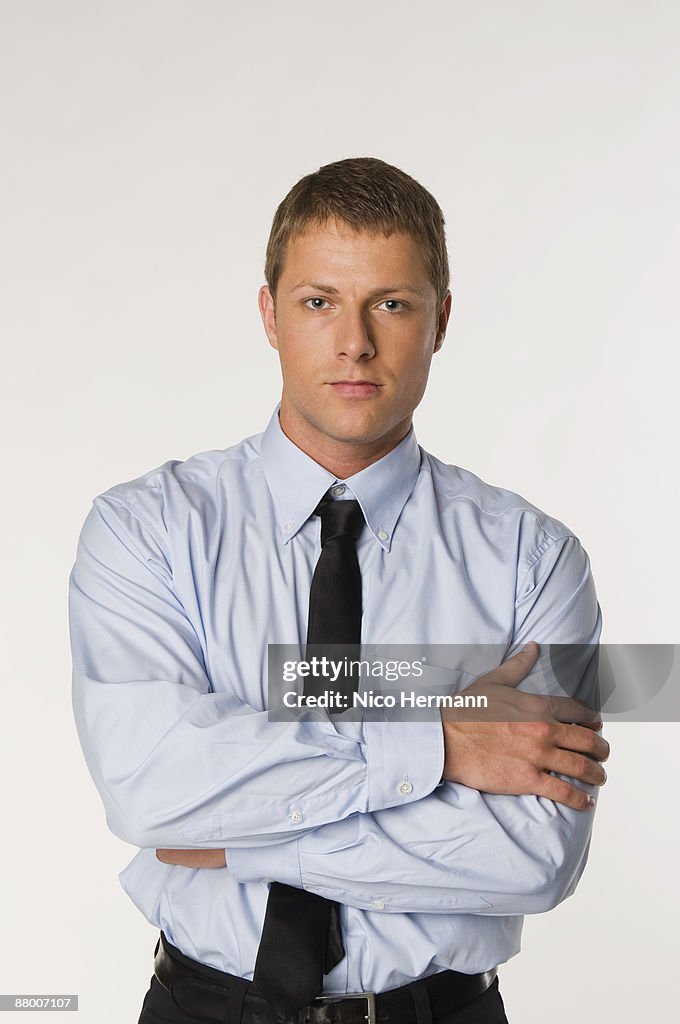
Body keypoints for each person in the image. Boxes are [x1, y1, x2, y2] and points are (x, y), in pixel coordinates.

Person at [68, 157, 609, 1024]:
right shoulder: (147, 531)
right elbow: (150, 789)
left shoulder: (533, 559)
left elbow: (535, 858)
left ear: (440, 323)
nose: (355, 341)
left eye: (392, 303)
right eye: (319, 302)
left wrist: (234, 839)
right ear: (269, 317)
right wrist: (435, 744)